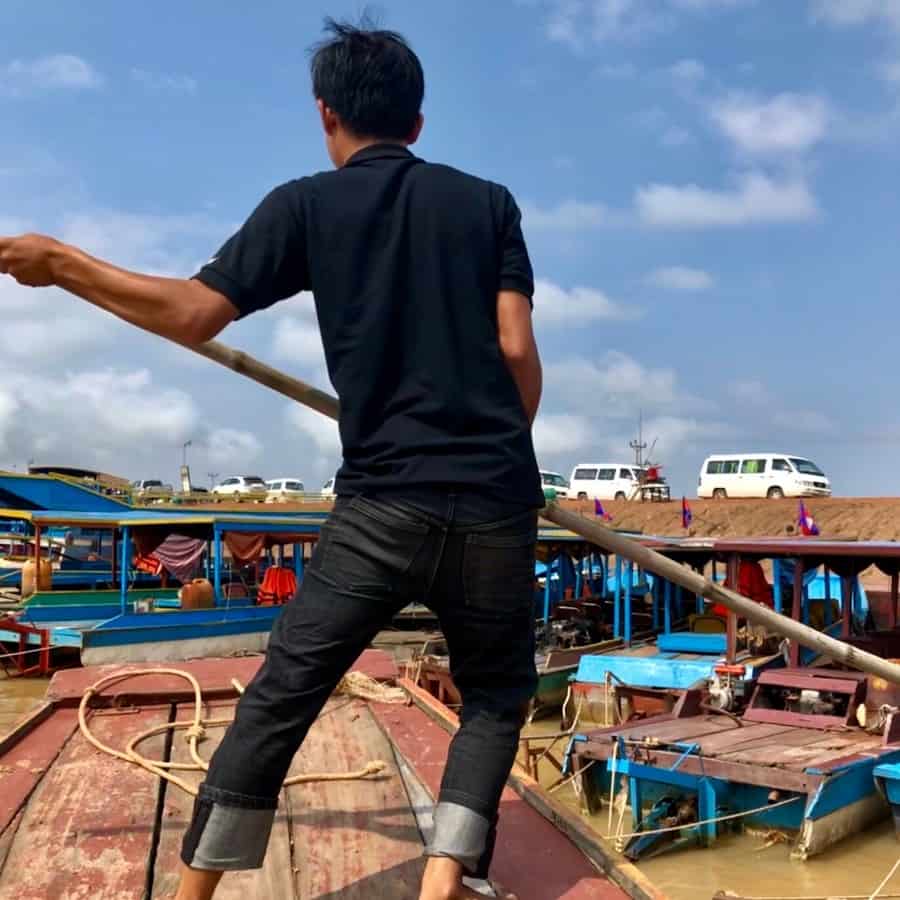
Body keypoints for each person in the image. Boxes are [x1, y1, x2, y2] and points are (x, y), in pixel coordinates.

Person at [0, 18, 544, 900]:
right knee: (492, 697)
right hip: (496, 500)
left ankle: (193, 894)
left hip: (382, 504)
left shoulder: (306, 205)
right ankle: (443, 887)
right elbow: (517, 351)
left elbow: (189, 313)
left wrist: (59, 263)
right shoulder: (489, 203)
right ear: (417, 120)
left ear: (326, 116)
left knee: (285, 690)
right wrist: (495, 459)